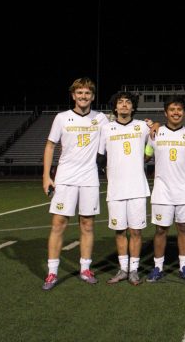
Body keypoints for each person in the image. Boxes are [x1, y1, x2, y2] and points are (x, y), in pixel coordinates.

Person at [41, 77, 109, 291]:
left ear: (93, 96)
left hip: (89, 178)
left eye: (87, 93)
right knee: (58, 224)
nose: (83, 96)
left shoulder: (102, 119)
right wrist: (46, 176)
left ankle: (85, 269)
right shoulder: (62, 118)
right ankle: (52, 273)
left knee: (87, 225)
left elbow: (121, 129)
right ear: (73, 95)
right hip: (65, 178)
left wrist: (150, 125)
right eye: (79, 93)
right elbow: (50, 146)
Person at [98, 92, 151, 286]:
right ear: (115, 107)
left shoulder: (143, 127)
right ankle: (123, 269)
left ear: (133, 107)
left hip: (137, 188)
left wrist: (145, 156)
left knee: (135, 231)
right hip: (116, 190)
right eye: (120, 102)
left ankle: (134, 270)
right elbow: (100, 157)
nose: (124, 105)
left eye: (128, 102)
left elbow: (153, 144)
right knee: (119, 231)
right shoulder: (106, 129)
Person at [144, 95, 185, 282]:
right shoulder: (156, 133)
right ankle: (157, 267)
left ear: (183, 113)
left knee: (184, 228)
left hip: (184, 190)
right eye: (172, 109)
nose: (176, 112)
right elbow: (146, 156)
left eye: (179, 109)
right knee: (160, 230)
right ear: (166, 112)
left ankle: (184, 266)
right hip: (162, 191)